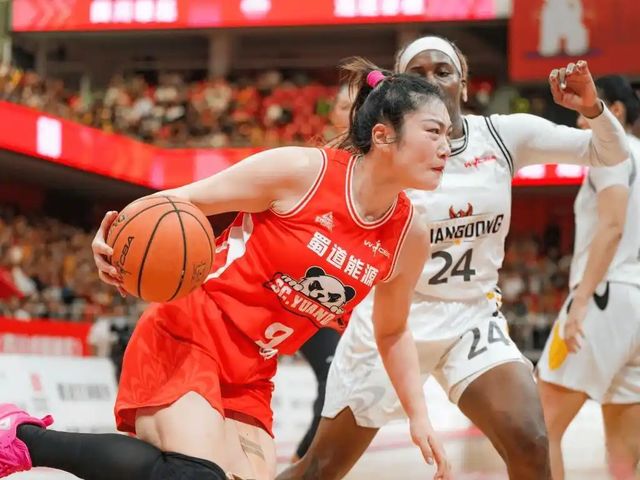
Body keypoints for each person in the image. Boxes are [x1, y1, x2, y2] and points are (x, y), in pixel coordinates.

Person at [0, 58, 453, 480]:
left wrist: (419, 416)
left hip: (254, 369)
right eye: (433, 132)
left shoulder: (408, 236)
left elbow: (392, 331)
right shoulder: (302, 172)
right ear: (383, 135)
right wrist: (115, 236)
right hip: (189, 333)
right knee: (197, 475)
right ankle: (24, 439)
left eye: (449, 134)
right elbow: (181, 200)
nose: (445, 147)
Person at [276, 36, 630, 480]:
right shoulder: (384, 150)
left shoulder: (503, 136)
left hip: (471, 316)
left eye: (443, 71)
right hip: (395, 320)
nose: (432, 81)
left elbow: (610, 151)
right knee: (321, 468)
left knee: (531, 440)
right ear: (400, 87)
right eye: (418, 74)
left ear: (462, 85)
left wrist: (593, 110)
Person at [537, 75, 640, 480]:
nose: (580, 123)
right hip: (636, 301)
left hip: (604, 296)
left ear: (614, 111)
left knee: (540, 428)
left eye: (586, 112)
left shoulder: (610, 151)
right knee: (624, 456)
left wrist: (580, 302)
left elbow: (612, 226)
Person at [291, 83, 357, 463]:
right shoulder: (316, 163)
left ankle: (302, 464)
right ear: (332, 113)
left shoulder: (381, 166)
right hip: (307, 292)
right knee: (332, 381)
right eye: (344, 105)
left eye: (358, 105)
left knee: (340, 389)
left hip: (348, 298)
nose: (352, 111)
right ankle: (300, 464)